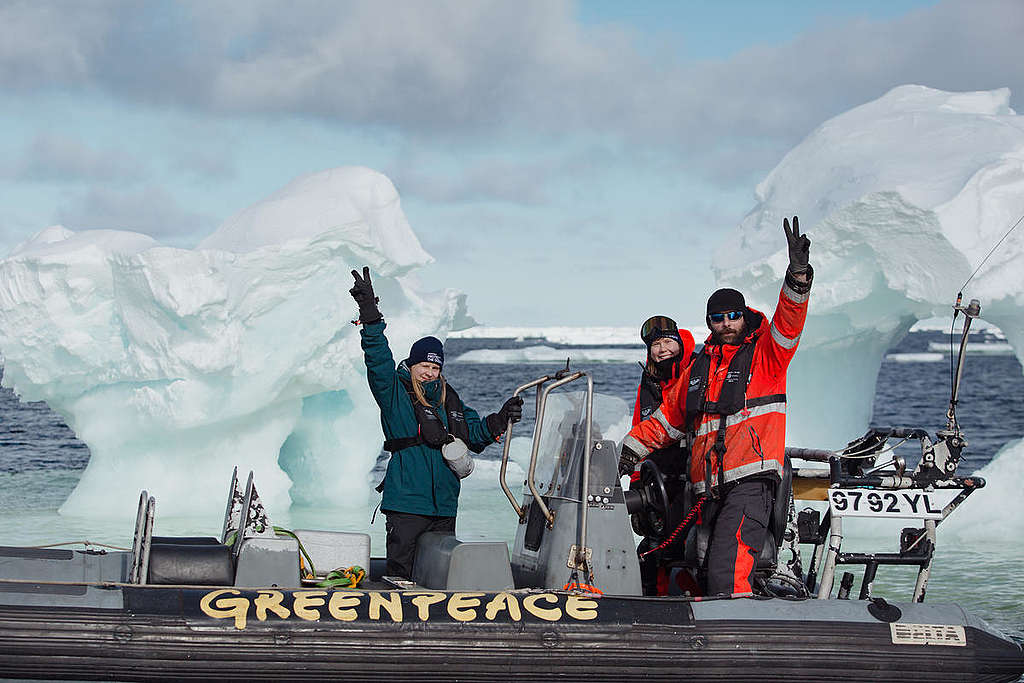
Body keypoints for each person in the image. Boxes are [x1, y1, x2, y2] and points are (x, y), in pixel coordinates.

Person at [618, 217, 811, 596]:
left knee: (729, 564)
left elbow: (789, 322)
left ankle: (737, 640)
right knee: (697, 566)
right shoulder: (700, 369)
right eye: (718, 318)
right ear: (710, 323)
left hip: (750, 484)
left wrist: (798, 276)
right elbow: (665, 421)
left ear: (744, 316)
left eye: (733, 315)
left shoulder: (767, 357)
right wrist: (624, 455)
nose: (727, 323)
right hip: (707, 490)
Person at [350, 266, 524, 579]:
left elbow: (474, 433)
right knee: (401, 577)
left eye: (435, 366)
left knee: (439, 576)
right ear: (412, 363)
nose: (429, 372)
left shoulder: (449, 399)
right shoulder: (395, 393)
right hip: (407, 504)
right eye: (424, 365)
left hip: (444, 506)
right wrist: (370, 315)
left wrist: (500, 418)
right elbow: (378, 360)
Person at [629, 315, 695, 595]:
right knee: (652, 549)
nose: (662, 349)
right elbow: (639, 430)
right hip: (657, 483)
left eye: (668, 341)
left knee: (689, 547)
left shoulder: (696, 375)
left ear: (680, 344)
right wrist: (635, 481)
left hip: (693, 480)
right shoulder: (649, 384)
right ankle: (650, 605)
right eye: (656, 344)